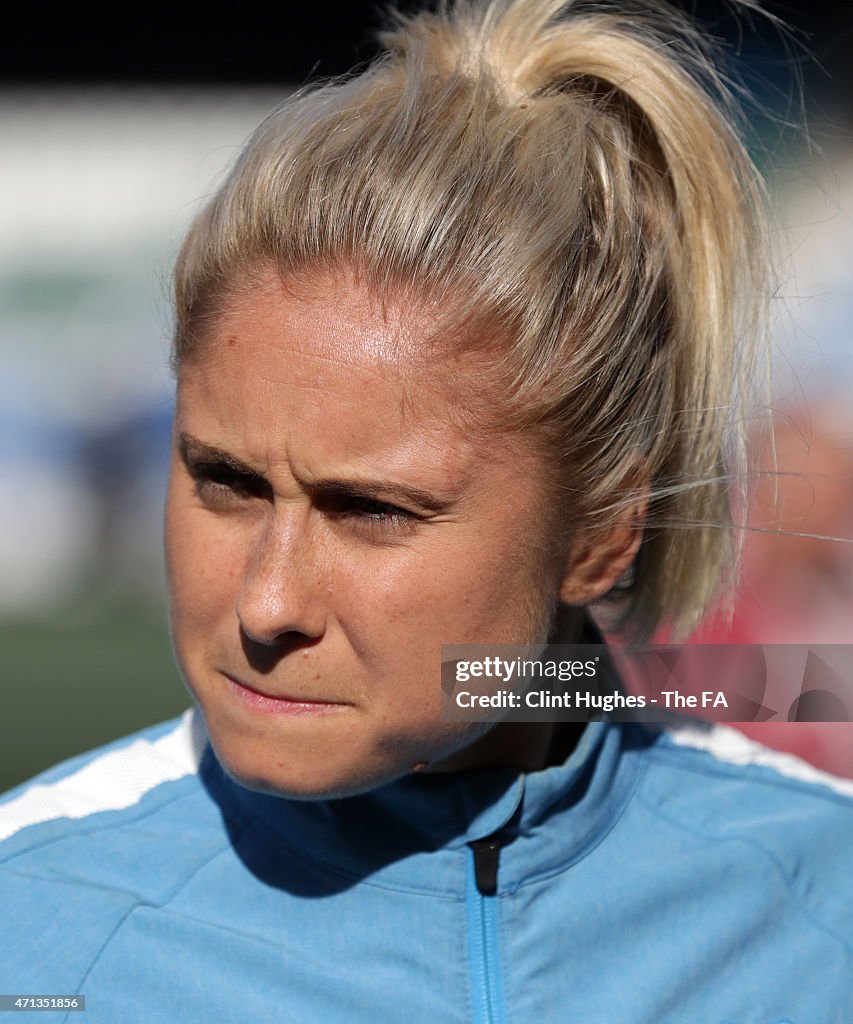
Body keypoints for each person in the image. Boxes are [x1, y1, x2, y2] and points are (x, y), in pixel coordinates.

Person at [1, 1, 851, 1020]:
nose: (267, 605)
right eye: (224, 481)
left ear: (602, 534)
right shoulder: (33, 914)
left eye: (372, 511)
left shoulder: (821, 907)